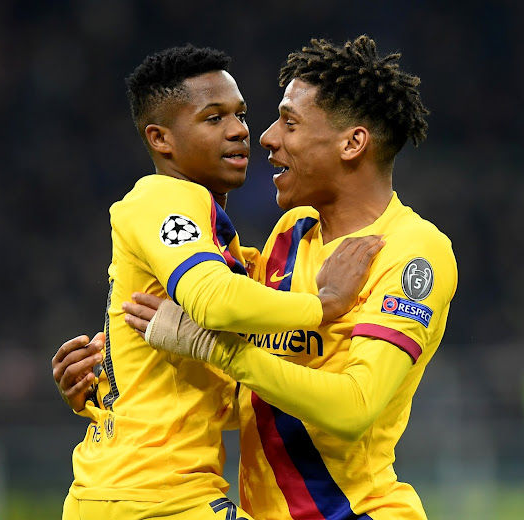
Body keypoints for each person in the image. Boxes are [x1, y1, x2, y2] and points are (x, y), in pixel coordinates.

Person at [120, 35, 458, 520]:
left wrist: (215, 347)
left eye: (290, 123)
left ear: (352, 143)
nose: (267, 136)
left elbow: (354, 407)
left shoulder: (412, 252)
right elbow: (248, 397)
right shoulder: (291, 234)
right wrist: (111, 378)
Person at [55, 43, 383, 520]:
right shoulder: (164, 199)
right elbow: (212, 300)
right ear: (161, 139)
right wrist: (324, 304)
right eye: (213, 118)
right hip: (155, 497)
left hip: (126, 491)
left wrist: (100, 385)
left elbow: (215, 389)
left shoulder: (221, 246)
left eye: (241, 114)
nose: (239, 131)